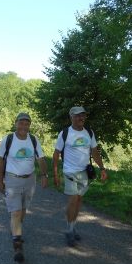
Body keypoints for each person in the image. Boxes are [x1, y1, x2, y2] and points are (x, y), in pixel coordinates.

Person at [51, 106, 108, 247]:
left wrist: (102, 168)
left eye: (83, 115)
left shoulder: (89, 132)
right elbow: (56, 154)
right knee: (74, 200)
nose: (81, 117)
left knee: (79, 200)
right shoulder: (65, 133)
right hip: (70, 171)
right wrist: (56, 174)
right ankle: (69, 231)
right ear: (71, 117)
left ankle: (73, 226)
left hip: (85, 172)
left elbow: (94, 151)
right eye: (77, 115)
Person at [0, 112, 48, 262]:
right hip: (12, 180)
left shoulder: (33, 140)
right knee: (16, 212)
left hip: (30, 180)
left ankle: (15, 228)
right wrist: (0, 181)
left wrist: (44, 175)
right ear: (16, 123)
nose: (23, 127)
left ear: (29, 126)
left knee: (23, 209)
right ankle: (18, 244)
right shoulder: (8, 140)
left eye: (26, 124)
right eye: (21, 123)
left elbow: (41, 159)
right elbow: (1, 162)